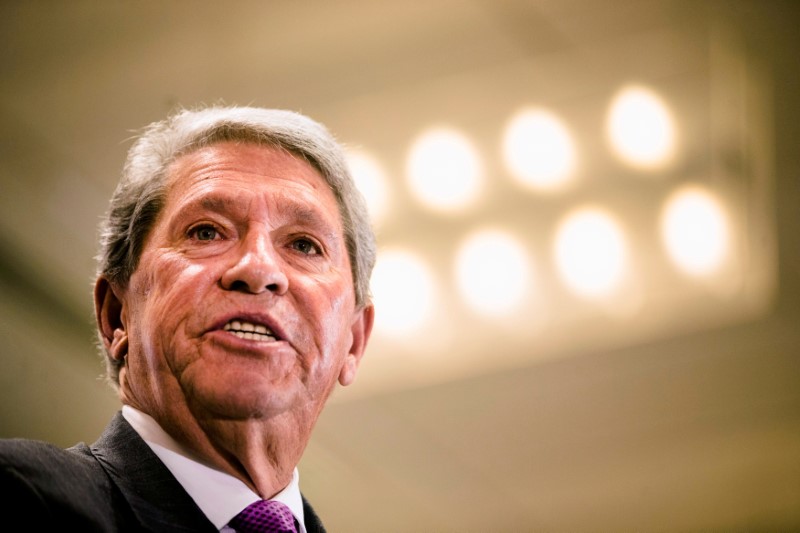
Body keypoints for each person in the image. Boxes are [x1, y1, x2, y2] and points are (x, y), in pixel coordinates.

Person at [0, 105, 376, 532]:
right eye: (206, 232)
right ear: (116, 314)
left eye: (304, 245)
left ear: (354, 340)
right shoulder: (24, 499)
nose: (257, 269)